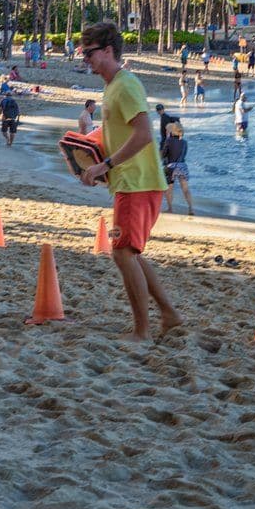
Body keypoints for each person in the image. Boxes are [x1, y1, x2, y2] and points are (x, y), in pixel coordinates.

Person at [77, 21, 181, 342]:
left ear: (108, 50)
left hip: (138, 182)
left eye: (90, 54)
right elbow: (120, 136)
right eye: (83, 55)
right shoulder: (113, 88)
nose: (86, 61)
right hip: (130, 181)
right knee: (129, 252)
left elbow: (144, 135)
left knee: (122, 253)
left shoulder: (125, 86)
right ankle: (169, 315)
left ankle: (142, 332)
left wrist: (104, 165)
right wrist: (90, 160)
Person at [160, 122, 194, 216]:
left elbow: (163, 155)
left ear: (172, 131)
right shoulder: (185, 142)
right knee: (185, 189)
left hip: (171, 167)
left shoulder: (169, 141)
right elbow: (184, 155)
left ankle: (170, 208)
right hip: (183, 166)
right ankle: (191, 208)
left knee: (169, 189)